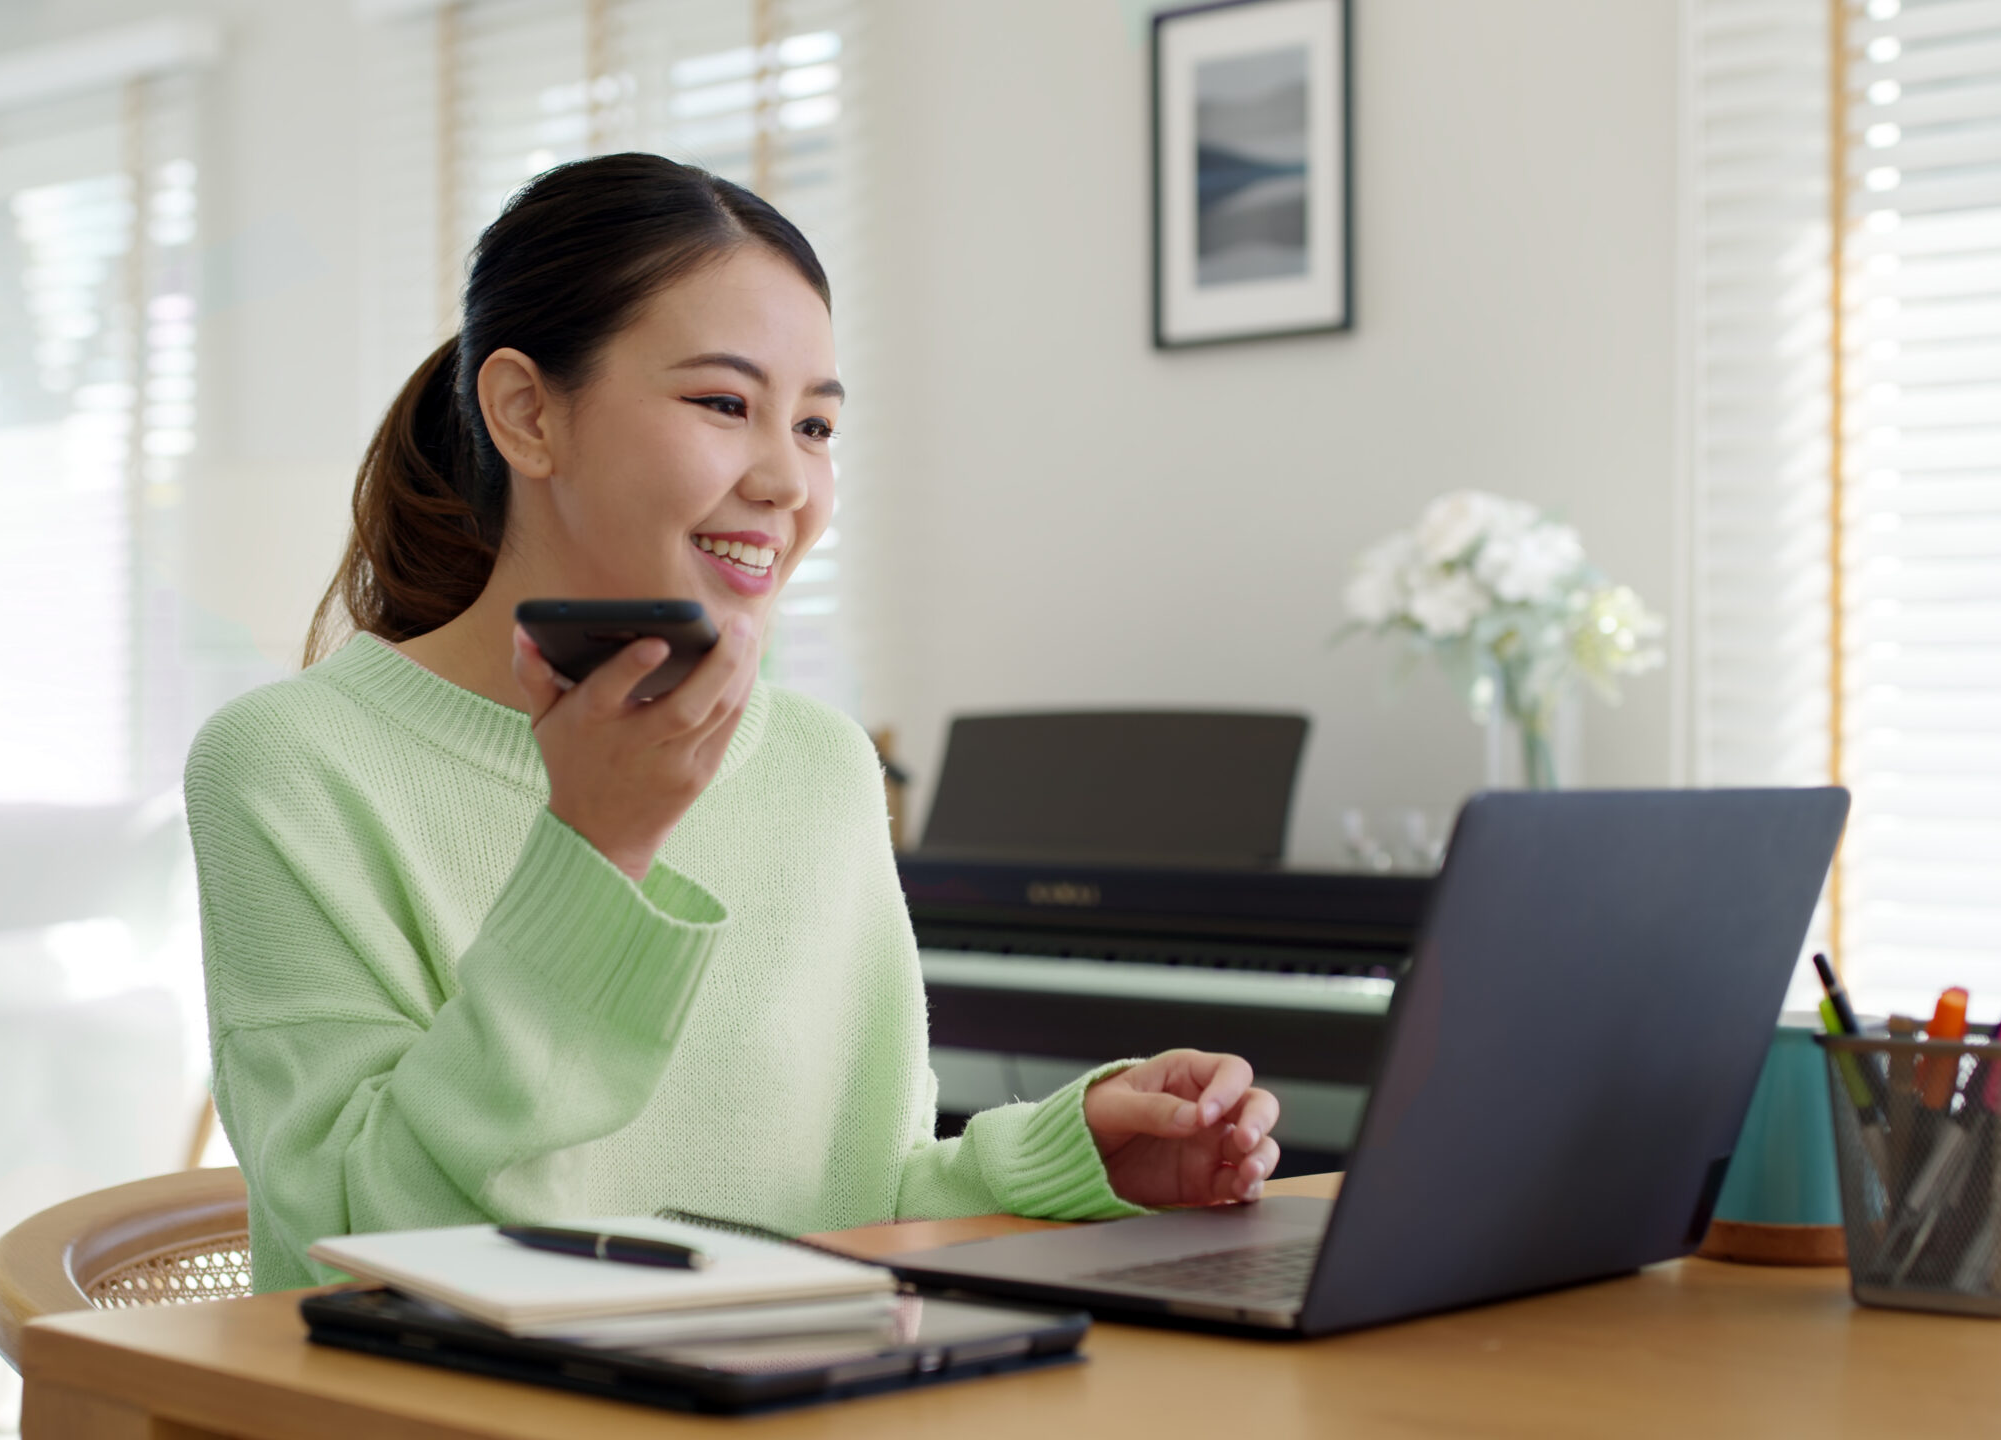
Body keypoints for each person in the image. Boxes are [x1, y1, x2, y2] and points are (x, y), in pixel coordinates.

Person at [186, 153, 1282, 1291]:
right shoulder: (289, 764)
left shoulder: (816, 761)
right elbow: (360, 1241)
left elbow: (862, 1194)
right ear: (524, 412)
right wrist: (594, 854)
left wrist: (1075, 1151)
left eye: (814, 427)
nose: (786, 481)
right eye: (723, 404)